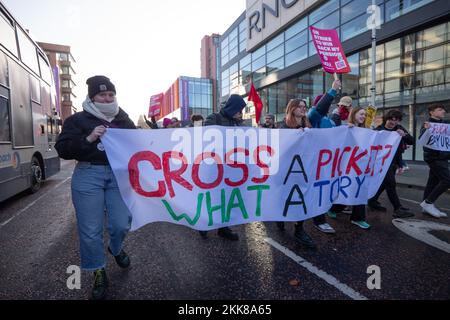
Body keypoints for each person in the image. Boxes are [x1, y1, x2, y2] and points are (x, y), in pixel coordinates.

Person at [55, 76, 136, 300]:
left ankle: (116, 248)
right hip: (89, 175)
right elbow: (62, 149)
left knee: (121, 223)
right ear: (92, 97)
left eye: (111, 94)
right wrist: (89, 139)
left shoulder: (122, 117)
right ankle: (99, 271)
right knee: (90, 231)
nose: (107, 98)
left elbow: (137, 143)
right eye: (102, 95)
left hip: (118, 175)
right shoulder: (77, 120)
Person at [198, 94, 247, 241]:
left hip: (230, 167)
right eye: (239, 110)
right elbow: (205, 138)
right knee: (211, 197)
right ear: (232, 107)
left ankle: (223, 228)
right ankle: (203, 224)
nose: (240, 113)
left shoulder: (238, 123)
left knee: (225, 198)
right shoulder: (214, 118)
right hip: (213, 165)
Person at [276, 99, 316, 249]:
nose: (303, 109)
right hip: (288, 170)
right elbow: (281, 148)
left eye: (304, 107)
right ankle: (279, 215)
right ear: (292, 109)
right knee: (286, 196)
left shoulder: (308, 125)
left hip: (303, 169)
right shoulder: (284, 126)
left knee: (301, 197)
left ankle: (299, 229)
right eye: (299, 107)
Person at [305, 79, 342, 234]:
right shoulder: (313, 115)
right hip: (314, 162)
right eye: (325, 102)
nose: (328, 106)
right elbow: (320, 108)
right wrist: (332, 91)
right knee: (314, 190)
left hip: (328, 162)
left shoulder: (330, 121)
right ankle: (318, 220)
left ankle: (320, 216)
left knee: (322, 190)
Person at [327, 107, 371, 229]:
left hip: (361, 166)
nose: (363, 116)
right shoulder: (346, 128)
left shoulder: (367, 130)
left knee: (359, 190)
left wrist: (397, 134)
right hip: (347, 166)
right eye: (361, 114)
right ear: (354, 114)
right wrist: (347, 130)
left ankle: (358, 218)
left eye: (365, 115)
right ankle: (335, 208)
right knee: (348, 190)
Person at [368, 109, 414, 219]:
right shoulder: (379, 131)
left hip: (394, 162)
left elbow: (411, 141)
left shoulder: (399, 129)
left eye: (396, 120)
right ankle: (397, 208)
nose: (393, 122)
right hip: (381, 163)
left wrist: (404, 135)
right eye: (391, 119)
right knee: (391, 184)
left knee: (385, 184)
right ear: (386, 119)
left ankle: (373, 201)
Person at [420, 104, 450, 218]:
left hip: (444, 157)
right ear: (431, 112)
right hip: (434, 158)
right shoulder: (427, 125)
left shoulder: (446, 124)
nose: (443, 111)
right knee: (447, 180)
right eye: (440, 109)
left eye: (444, 109)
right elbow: (422, 140)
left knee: (432, 181)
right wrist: (427, 130)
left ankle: (425, 206)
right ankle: (428, 203)